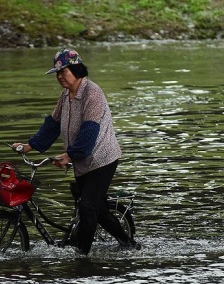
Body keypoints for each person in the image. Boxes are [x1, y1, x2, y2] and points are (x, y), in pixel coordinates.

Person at [13, 48, 140, 255]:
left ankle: (82, 257)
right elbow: (52, 125)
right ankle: (128, 243)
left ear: (77, 70)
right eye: (57, 73)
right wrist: (29, 145)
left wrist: (69, 155)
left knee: (87, 207)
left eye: (64, 71)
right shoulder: (65, 96)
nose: (60, 76)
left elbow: (89, 131)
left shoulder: (93, 93)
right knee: (97, 209)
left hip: (102, 159)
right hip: (82, 161)